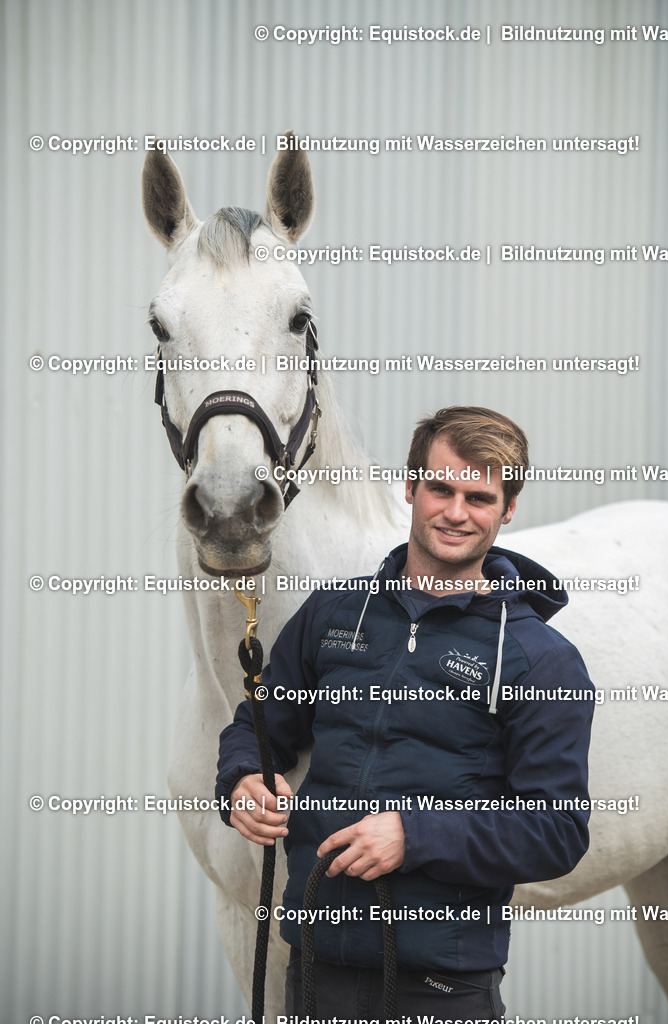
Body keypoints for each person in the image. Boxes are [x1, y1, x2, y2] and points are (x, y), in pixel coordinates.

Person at [216, 406, 595, 1018]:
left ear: (508, 509)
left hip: (441, 985)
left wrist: (414, 835)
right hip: (314, 967)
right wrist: (241, 779)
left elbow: (557, 831)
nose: (455, 512)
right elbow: (255, 728)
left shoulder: (540, 660)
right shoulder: (332, 616)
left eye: (479, 497)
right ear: (411, 486)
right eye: (440, 488)